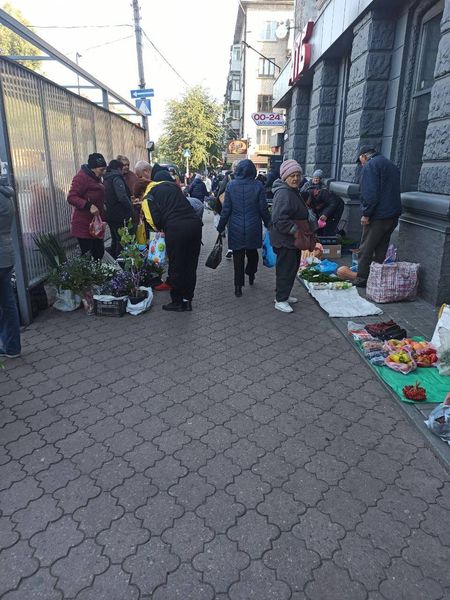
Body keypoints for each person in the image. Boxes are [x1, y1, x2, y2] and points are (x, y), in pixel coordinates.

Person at [142, 170, 202, 312]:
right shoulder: (175, 190)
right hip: (195, 225)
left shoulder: (149, 194)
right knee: (190, 265)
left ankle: (177, 301)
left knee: (177, 265)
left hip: (176, 229)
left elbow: (152, 219)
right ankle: (187, 300)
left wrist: (160, 229)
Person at [217, 159, 270, 297]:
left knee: (238, 257)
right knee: (253, 254)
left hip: (235, 226)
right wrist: (269, 224)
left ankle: (238, 287)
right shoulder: (258, 185)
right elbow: (263, 209)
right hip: (253, 226)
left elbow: (226, 209)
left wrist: (220, 226)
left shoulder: (231, 186)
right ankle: (251, 274)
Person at [354, 145, 402, 287]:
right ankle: (376, 277)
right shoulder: (390, 164)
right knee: (381, 248)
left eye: (360, 161)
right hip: (392, 214)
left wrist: (366, 213)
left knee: (366, 248)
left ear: (363, 156)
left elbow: (370, 193)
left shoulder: (371, 165)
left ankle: (362, 279)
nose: (361, 164)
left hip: (378, 215)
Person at [270, 159, 309, 313]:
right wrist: (295, 230)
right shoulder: (284, 193)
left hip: (292, 239)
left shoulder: (292, 191)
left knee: (291, 269)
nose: (295, 178)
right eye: (292, 175)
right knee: (286, 270)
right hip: (285, 240)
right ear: (285, 177)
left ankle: (284, 295)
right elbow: (279, 219)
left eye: (298, 175)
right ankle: (280, 300)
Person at [67, 153, 107, 260]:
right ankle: (89, 276)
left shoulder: (96, 178)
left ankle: (97, 275)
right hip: (84, 225)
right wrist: (88, 206)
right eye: (101, 170)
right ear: (93, 168)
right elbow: (71, 197)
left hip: (96, 225)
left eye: (104, 170)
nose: (103, 173)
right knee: (88, 256)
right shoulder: (81, 178)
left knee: (99, 253)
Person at [0, 179, 21, 358]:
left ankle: (10, 345)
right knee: (7, 303)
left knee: (6, 304)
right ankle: (12, 346)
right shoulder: (6, 193)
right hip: (6, 254)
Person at [104, 159, 133, 258]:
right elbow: (122, 197)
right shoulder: (116, 178)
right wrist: (130, 206)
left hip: (110, 214)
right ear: (118, 169)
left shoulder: (106, 178)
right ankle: (121, 263)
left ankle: (114, 262)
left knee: (115, 240)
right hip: (119, 215)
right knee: (122, 241)